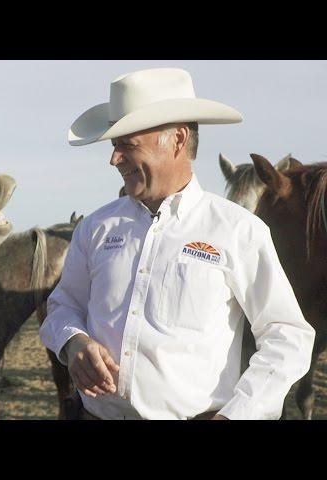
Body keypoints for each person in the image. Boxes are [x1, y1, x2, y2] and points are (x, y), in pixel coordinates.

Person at [39, 67, 315, 420]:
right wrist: (73, 342)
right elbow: (62, 305)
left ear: (178, 140)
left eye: (127, 145)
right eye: (114, 147)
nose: (114, 159)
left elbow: (287, 336)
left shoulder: (238, 231)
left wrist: (239, 414)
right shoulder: (96, 227)